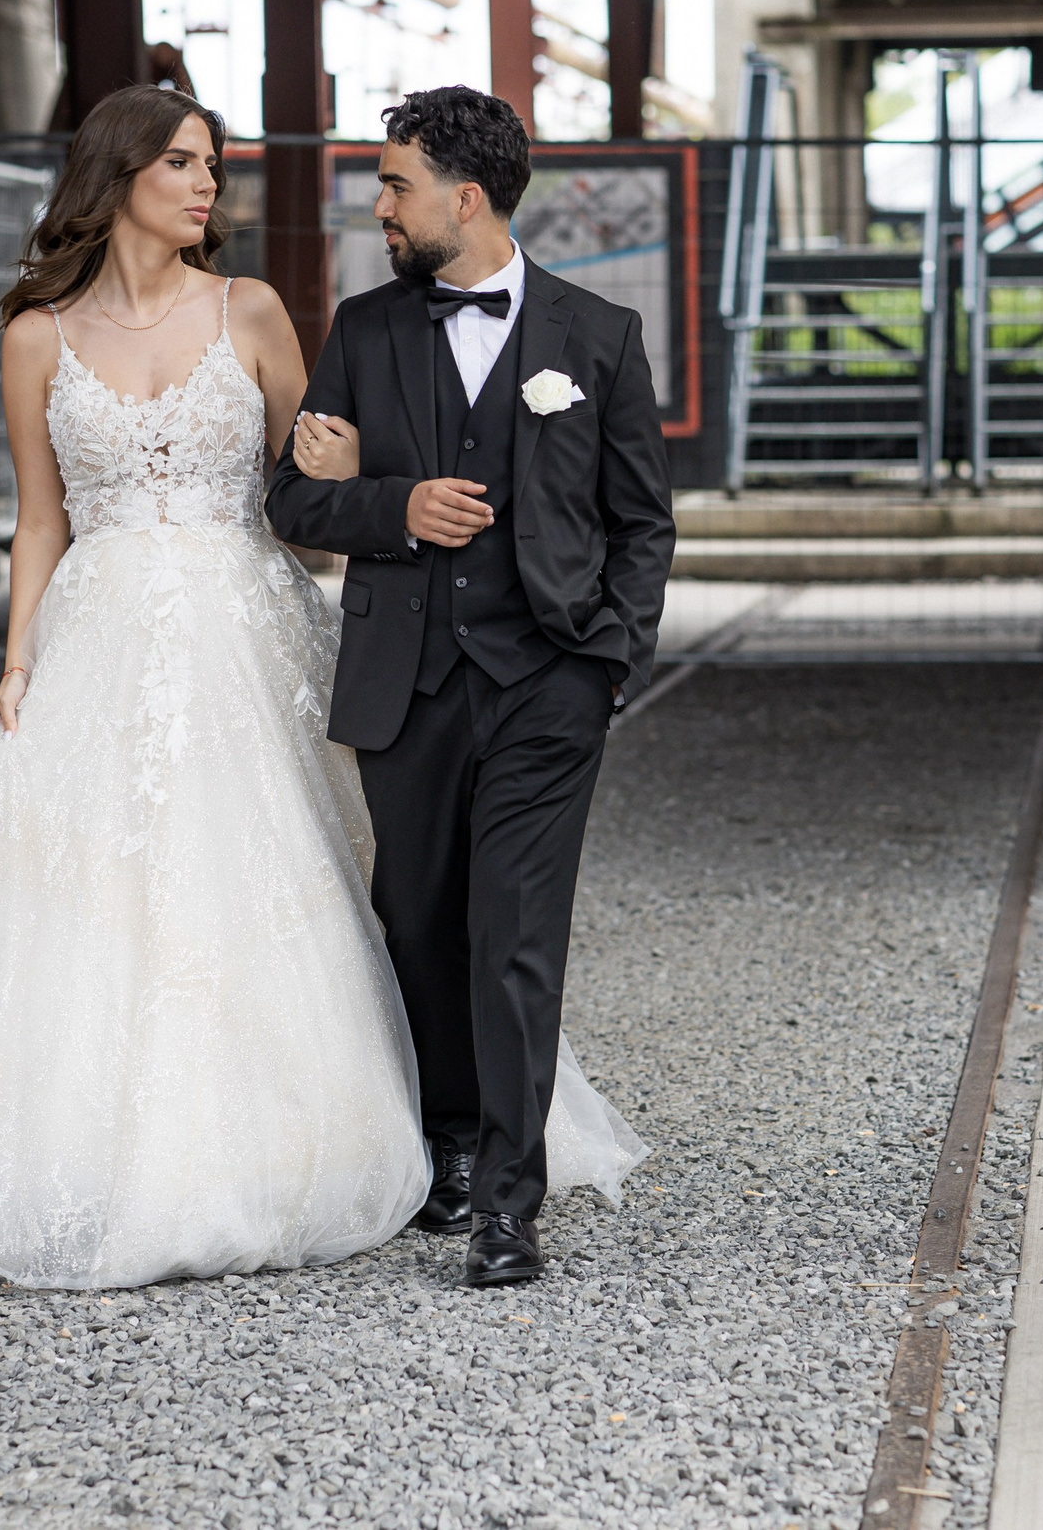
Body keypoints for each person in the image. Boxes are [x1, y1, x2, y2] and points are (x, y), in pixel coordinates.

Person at [0, 85, 641, 1289]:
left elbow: (309, 501)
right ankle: (96, 1153)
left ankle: (443, 1156)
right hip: (97, 634)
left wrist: (361, 488)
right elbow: (42, 519)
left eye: (213, 166)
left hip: (241, 628)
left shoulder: (253, 313)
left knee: (305, 885)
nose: (209, 187)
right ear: (120, 175)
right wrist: (16, 659)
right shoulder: (36, 333)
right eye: (185, 164)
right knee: (96, 899)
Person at [267, 85, 675, 1287]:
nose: (377, 207)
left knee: (513, 935)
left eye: (394, 185)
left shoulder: (596, 338)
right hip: (409, 683)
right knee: (420, 923)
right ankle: (445, 1142)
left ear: (467, 195)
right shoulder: (364, 328)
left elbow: (640, 522)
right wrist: (393, 507)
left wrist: (610, 660)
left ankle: (508, 1199)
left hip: (547, 682)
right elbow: (293, 503)